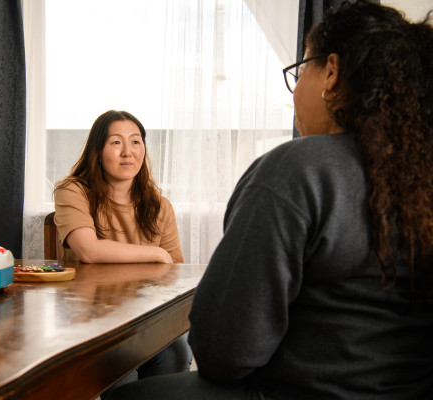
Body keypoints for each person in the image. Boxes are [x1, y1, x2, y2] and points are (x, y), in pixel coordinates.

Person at [109, 1, 433, 399]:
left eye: (300, 72)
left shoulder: (298, 170)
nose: (295, 91)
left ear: (330, 72)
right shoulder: (417, 174)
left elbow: (223, 351)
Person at [53, 110, 191, 395]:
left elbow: (175, 275)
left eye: (136, 142)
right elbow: (88, 249)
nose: (128, 152)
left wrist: (162, 259)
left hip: (146, 317)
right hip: (94, 320)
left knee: (176, 350)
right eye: (116, 142)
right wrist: (155, 253)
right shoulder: (72, 190)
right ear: (98, 150)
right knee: (119, 366)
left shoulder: (160, 206)